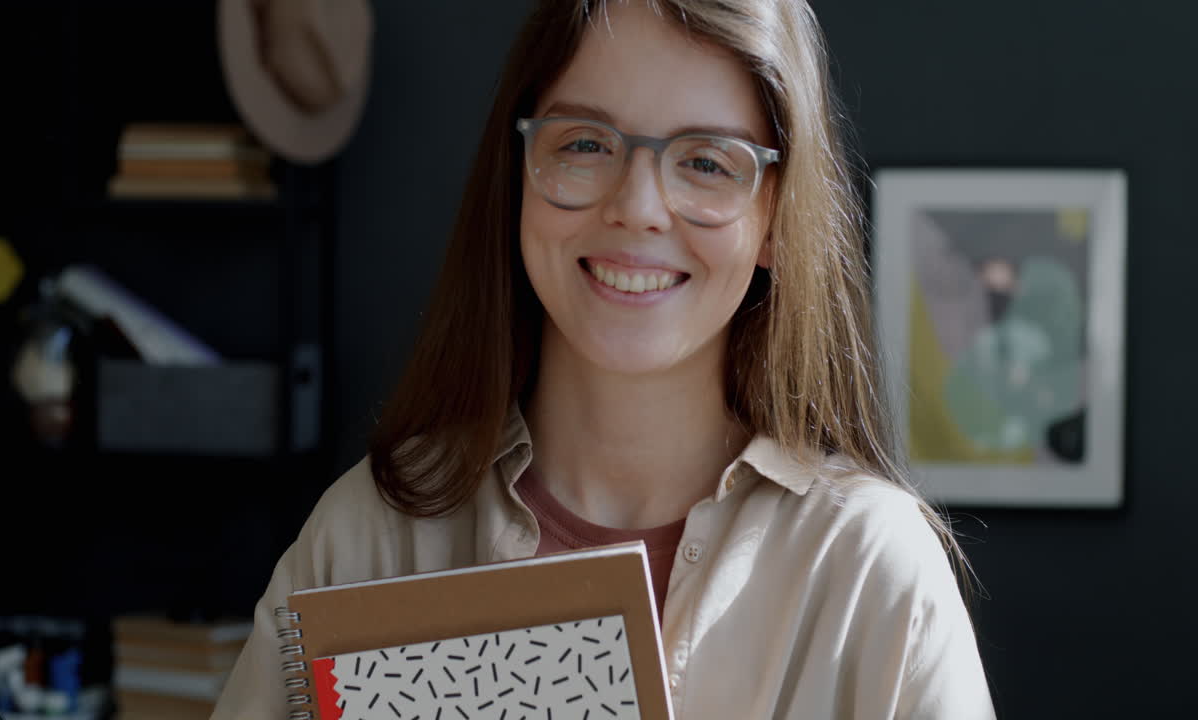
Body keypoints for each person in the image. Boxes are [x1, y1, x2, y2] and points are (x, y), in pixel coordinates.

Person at [211, 0, 996, 717]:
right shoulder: (366, 537)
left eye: (707, 162)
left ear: (773, 220)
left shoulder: (869, 570)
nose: (637, 207)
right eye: (584, 144)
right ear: (518, 172)